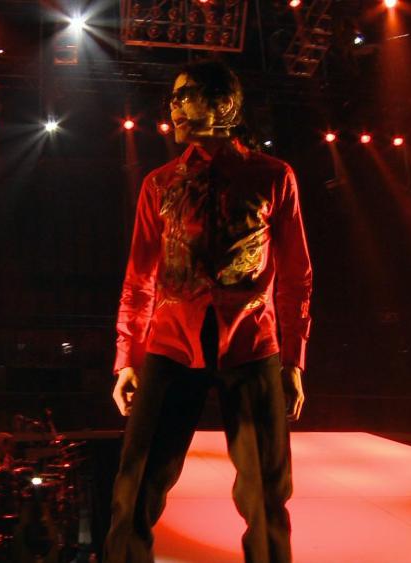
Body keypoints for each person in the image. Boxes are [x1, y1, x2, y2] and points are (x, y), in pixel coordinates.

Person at [105, 60, 312, 563]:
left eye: (187, 95)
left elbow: (296, 276)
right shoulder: (159, 184)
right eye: (173, 97)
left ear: (224, 104)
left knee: (266, 494)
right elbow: (139, 277)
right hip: (171, 345)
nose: (174, 106)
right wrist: (127, 357)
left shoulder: (274, 176)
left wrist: (294, 361)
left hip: (251, 344)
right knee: (134, 490)